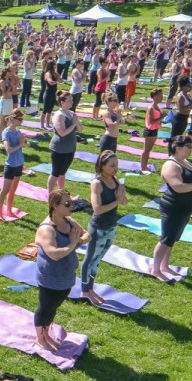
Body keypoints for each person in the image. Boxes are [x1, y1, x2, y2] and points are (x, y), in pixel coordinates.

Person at [33, 189, 90, 351]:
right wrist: (73, 243)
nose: (71, 206)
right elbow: (54, 254)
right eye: (67, 204)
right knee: (45, 308)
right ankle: (40, 338)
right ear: (54, 206)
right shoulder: (47, 229)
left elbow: (87, 235)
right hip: (50, 278)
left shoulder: (69, 221)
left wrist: (77, 240)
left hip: (66, 276)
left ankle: (46, 333)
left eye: (71, 202)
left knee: (54, 307)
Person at [153, 135, 192, 281]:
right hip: (174, 207)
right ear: (178, 148)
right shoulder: (171, 165)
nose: (191, 149)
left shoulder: (184, 161)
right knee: (166, 238)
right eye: (189, 147)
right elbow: (178, 187)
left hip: (185, 208)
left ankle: (165, 265)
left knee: (173, 238)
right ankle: (156, 269)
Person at [82, 151, 126, 306]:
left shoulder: (115, 179)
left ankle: (90, 287)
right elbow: (97, 209)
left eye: (117, 165)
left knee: (98, 259)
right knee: (90, 258)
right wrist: (117, 201)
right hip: (98, 227)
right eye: (112, 165)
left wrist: (122, 193)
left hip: (111, 225)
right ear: (102, 166)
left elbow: (124, 202)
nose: (115, 168)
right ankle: (85, 290)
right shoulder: (97, 183)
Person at [48, 91, 83, 194]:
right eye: (69, 101)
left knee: (63, 173)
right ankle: (50, 195)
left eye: (72, 100)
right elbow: (62, 133)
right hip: (59, 149)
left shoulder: (71, 113)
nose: (72, 102)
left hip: (70, 148)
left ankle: (61, 192)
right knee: (56, 173)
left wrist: (77, 122)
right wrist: (73, 124)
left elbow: (80, 129)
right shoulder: (59, 115)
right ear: (62, 102)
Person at [0, 109, 26, 219]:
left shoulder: (18, 131)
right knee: (5, 191)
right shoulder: (7, 132)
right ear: (12, 119)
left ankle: (9, 210)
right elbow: (8, 149)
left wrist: (24, 143)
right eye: (19, 119)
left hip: (19, 164)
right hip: (10, 165)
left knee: (13, 191)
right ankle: (0, 213)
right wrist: (20, 144)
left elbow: (26, 144)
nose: (21, 122)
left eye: (22, 119)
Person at [139, 88, 163, 173]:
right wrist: (162, 117)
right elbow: (152, 121)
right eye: (160, 96)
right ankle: (143, 167)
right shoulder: (151, 107)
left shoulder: (157, 107)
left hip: (154, 130)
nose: (161, 97)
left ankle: (144, 166)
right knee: (146, 150)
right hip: (149, 130)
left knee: (148, 150)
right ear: (155, 96)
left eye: (162, 96)